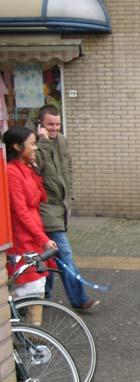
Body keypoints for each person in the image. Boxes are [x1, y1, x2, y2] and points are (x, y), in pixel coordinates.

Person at [36, 105, 98, 312]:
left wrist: (69, 195)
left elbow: (67, 168)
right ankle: (79, 299)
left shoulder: (61, 140)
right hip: (46, 209)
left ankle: (42, 298)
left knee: (48, 255)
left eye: (57, 124)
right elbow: (38, 167)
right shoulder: (35, 143)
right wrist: (43, 141)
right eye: (50, 125)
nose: (54, 128)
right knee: (64, 254)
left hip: (59, 208)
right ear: (41, 125)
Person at [3, 127, 57, 325]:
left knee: (37, 285)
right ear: (17, 146)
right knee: (29, 287)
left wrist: (36, 171)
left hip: (34, 232)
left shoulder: (26, 168)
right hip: (22, 236)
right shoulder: (11, 172)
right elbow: (21, 211)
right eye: (32, 144)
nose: (35, 148)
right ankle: (31, 336)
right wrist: (44, 239)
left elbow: (41, 196)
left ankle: (32, 335)